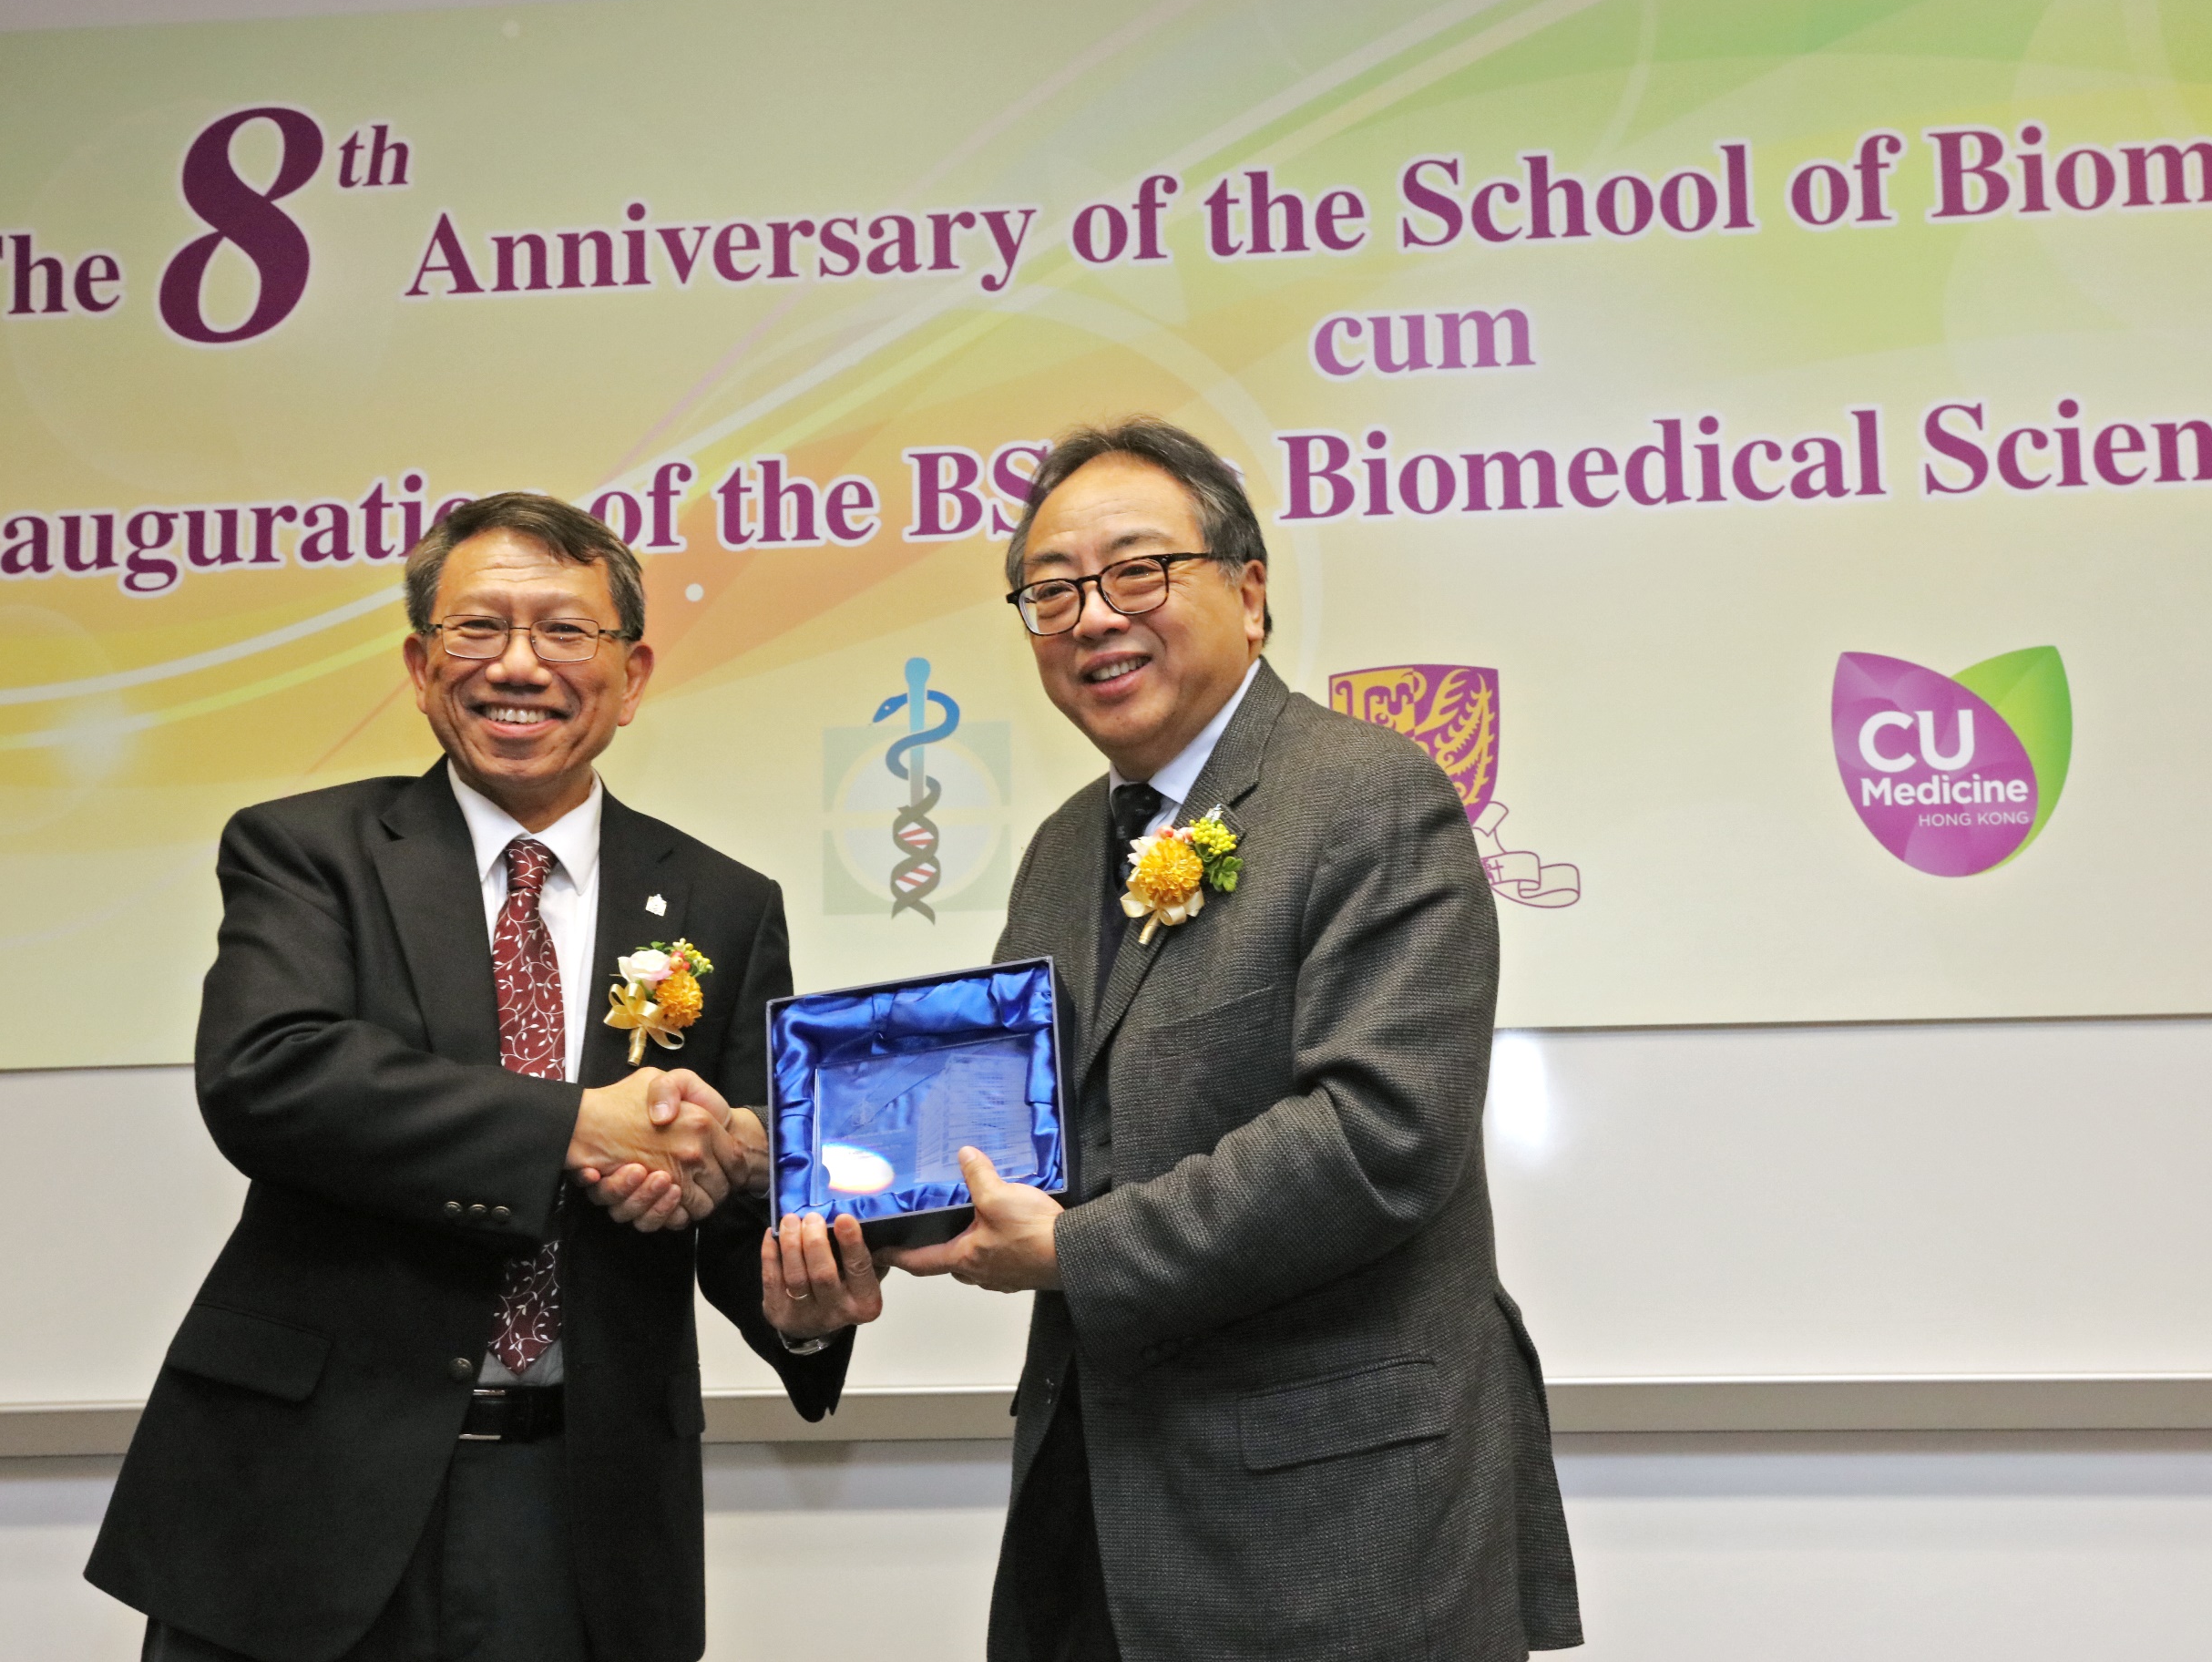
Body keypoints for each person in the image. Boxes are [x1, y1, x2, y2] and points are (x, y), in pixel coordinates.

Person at [87, 492, 883, 1662]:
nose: (519, 665)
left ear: (631, 672)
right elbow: (270, 1073)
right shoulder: (308, 849)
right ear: (420, 665)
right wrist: (577, 1127)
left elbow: (729, 1182)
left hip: (581, 1506)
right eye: (478, 631)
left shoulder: (723, 902)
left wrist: (798, 1305)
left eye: (565, 631)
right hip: (309, 1490)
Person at [891, 419, 1582, 1659]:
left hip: (1336, 1524)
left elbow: (1380, 1135)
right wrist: (818, 1189)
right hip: (1099, 1513)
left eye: (1136, 570)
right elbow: (1006, 1123)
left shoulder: (1366, 792)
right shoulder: (1061, 846)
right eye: (1051, 590)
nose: (1094, 615)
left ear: (1249, 592)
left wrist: (1077, 1247)